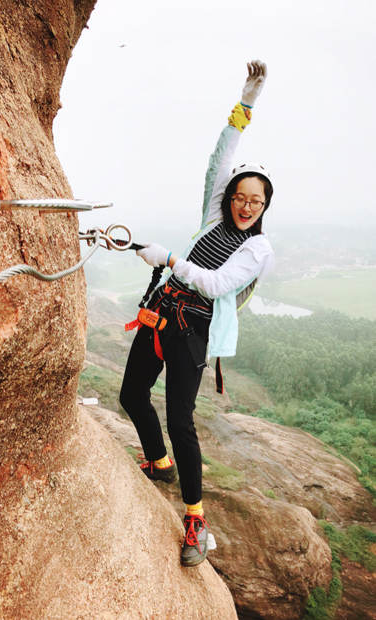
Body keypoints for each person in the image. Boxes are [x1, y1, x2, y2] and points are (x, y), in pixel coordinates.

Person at [118, 61, 274, 567]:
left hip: (193, 330)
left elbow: (215, 283)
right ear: (230, 197)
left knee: (180, 419)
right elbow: (217, 161)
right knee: (131, 394)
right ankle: (159, 463)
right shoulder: (213, 214)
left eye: (256, 201)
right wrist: (245, 104)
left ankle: (195, 520)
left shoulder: (258, 249)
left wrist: (168, 259)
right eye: (240, 196)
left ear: (264, 207)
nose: (245, 206)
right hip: (162, 312)